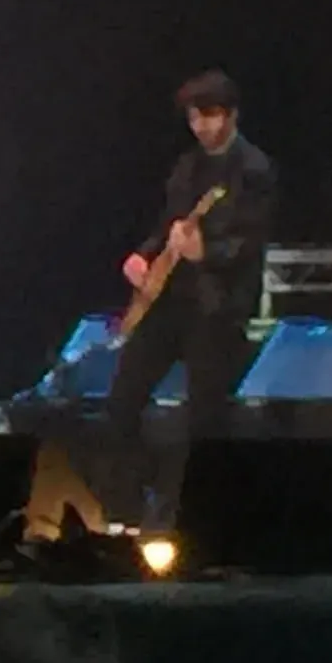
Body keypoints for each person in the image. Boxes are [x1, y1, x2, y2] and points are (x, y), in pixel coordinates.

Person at [107, 69, 275, 511]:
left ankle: (202, 510)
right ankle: (133, 502)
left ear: (231, 114)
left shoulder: (253, 169)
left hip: (216, 306)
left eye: (211, 116)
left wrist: (209, 252)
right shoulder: (187, 166)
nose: (202, 127)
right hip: (169, 300)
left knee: (205, 415)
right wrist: (143, 256)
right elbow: (168, 221)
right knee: (122, 397)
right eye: (195, 118)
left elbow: (252, 239)